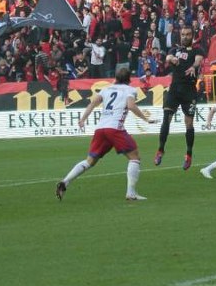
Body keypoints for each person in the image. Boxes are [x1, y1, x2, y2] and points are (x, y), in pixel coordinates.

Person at [55, 67, 157, 202]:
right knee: (134, 157)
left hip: (101, 129)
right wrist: (146, 119)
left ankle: (65, 182)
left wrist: (82, 119)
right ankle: (131, 193)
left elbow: (92, 104)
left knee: (89, 161)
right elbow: (131, 106)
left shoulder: (106, 89)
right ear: (129, 79)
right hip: (115, 128)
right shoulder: (130, 90)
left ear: (115, 78)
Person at [155, 25, 204, 170]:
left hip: (189, 91)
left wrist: (193, 67)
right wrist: (172, 59)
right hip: (175, 89)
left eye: (188, 34)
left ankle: (188, 154)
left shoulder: (197, 50)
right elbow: (168, 57)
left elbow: (198, 60)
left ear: (192, 36)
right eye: (183, 34)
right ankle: (160, 150)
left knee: (189, 124)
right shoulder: (174, 49)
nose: (185, 36)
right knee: (166, 119)